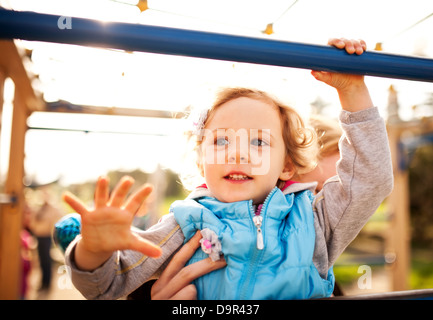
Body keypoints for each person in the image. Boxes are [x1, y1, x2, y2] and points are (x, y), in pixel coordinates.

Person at [62, 38, 394, 300]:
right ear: (200, 159)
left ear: (287, 165)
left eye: (259, 143)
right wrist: (93, 251)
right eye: (221, 142)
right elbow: (107, 286)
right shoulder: (184, 224)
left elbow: (369, 178)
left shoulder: (314, 220)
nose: (238, 155)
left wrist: (353, 92)